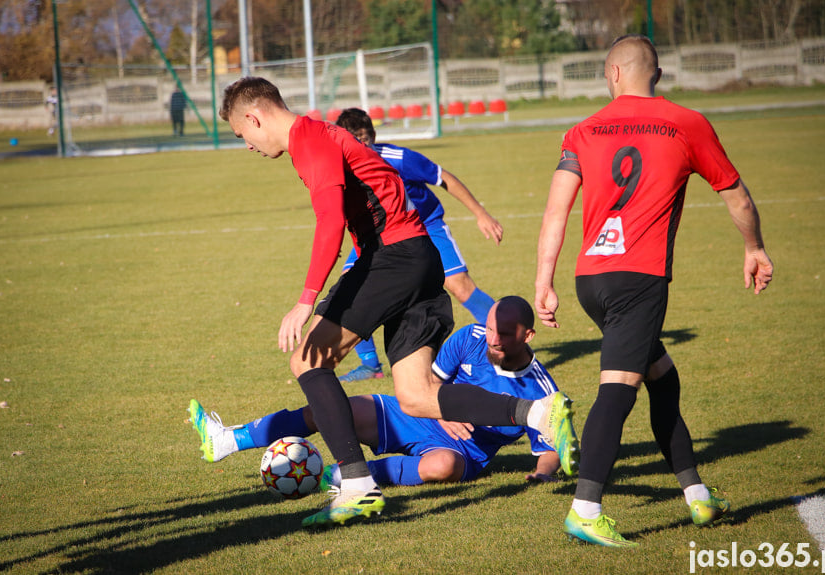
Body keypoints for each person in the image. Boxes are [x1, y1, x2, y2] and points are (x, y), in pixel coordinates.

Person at [218, 77, 578, 529]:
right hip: (419, 258)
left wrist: (306, 300)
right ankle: (536, 412)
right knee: (415, 396)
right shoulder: (324, 136)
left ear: (254, 117)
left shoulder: (309, 140)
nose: (246, 145)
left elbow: (330, 221)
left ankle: (356, 485)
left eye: (241, 135)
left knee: (308, 361)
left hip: (393, 256)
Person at [534, 35, 773, 548]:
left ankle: (697, 495)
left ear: (614, 74)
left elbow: (556, 211)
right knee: (617, 393)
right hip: (638, 281)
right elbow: (736, 194)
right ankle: (585, 509)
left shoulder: (582, 130)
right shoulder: (687, 123)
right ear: (656, 73)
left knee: (661, 378)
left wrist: (543, 281)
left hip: (589, 281)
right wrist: (754, 247)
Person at [188, 296, 563, 487]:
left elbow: (548, 450)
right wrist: (443, 414)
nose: (493, 339)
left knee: (441, 467)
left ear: (528, 335)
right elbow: (427, 383)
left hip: (462, 450)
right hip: (415, 413)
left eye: (504, 333)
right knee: (329, 410)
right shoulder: (470, 338)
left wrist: (544, 474)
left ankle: (336, 478)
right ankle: (228, 439)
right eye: (491, 327)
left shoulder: (542, 389)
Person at [334, 108, 502, 382]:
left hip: (427, 227)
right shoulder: (344, 166)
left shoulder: (397, 158)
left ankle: (507, 338)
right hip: (380, 234)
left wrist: (480, 214)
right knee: (347, 287)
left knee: (459, 286)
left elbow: (443, 177)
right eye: (354, 139)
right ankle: (370, 365)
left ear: (373, 136)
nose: (360, 145)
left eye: (364, 138)